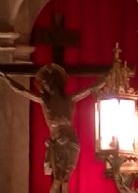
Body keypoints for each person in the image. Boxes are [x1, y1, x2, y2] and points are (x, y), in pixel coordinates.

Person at [0, 64, 104, 193]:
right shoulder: (44, 101)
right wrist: (6, 78)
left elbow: (89, 89)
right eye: (44, 84)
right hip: (56, 142)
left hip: (70, 141)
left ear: (55, 84)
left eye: (48, 83)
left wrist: (105, 80)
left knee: (65, 179)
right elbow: (22, 91)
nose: (46, 86)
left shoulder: (69, 99)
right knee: (57, 180)